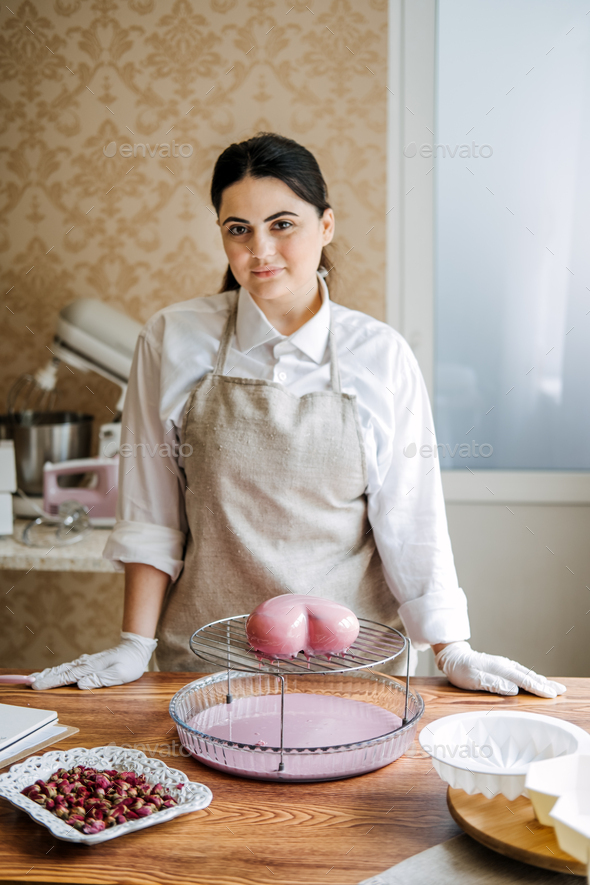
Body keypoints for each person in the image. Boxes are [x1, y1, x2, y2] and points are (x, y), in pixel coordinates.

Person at [31, 133, 565, 699]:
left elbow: (411, 521)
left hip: (352, 675)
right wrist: (134, 645)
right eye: (239, 230)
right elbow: (151, 514)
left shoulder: (380, 355)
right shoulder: (171, 338)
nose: (260, 250)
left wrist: (451, 648)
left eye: (282, 224)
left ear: (326, 226)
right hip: (207, 668)